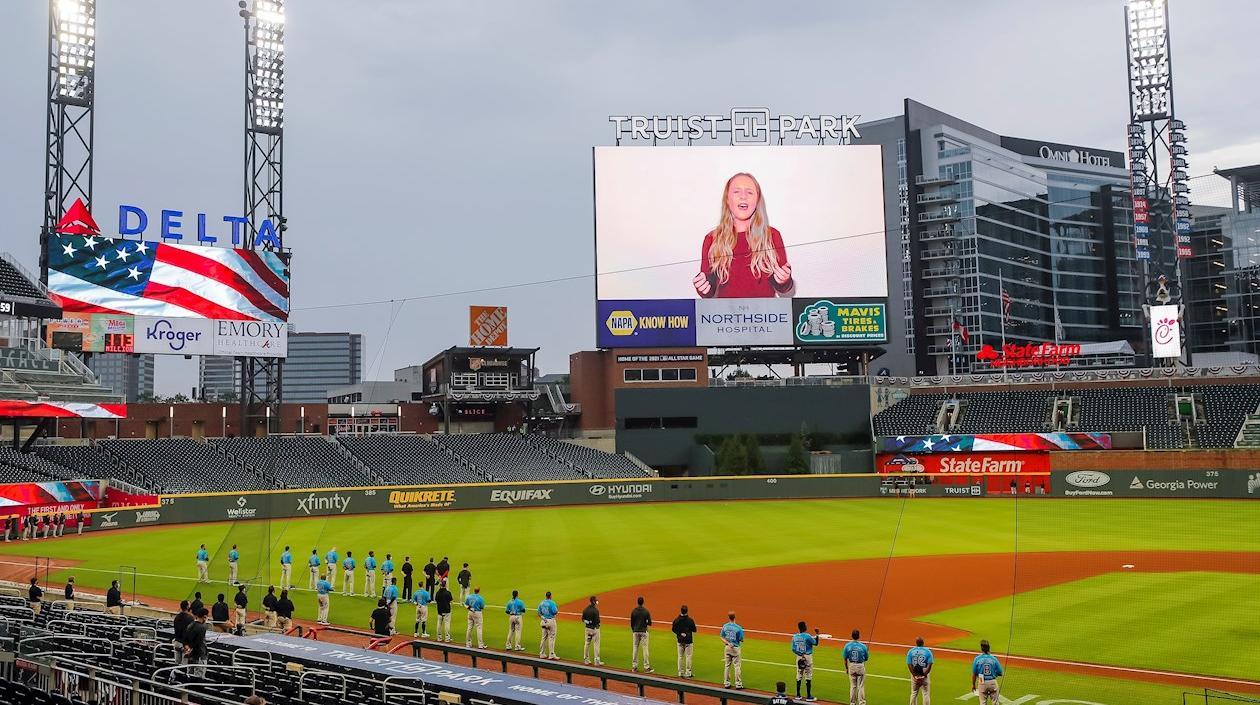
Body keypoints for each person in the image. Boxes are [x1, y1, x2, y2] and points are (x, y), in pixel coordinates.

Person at [693, 172, 794, 299]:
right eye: (736, 192)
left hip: (764, 315)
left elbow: (784, 287)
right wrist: (703, 286)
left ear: (757, 201)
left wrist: (784, 280)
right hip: (726, 316)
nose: (743, 196)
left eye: (750, 192)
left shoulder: (772, 235)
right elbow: (708, 291)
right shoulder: (712, 239)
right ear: (727, 200)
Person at [791, 621, 820, 701]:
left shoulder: (795, 636)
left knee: (799, 674)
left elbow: (793, 649)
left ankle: (798, 695)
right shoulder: (807, 636)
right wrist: (817, 634)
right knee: (808, 675)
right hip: (807, 657)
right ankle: (808, 696)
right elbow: (816, 643)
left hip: (799, 656)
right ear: (804, 627)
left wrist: (800, 654)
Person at [971, 639, 1003, 705]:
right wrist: (994, 674)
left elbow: (974, 674)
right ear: (989, 648)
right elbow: (1000, 672)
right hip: (992, 682)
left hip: (982, 681)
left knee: (982, 703)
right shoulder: (994, 658)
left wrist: (973, 685)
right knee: (995, 703)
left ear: (981, 648)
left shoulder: (977, 659)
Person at [842, 629, 870, 705]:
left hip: (851, 666)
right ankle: (862, 703)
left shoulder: (847, 645)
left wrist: (847, 668)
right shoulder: (863, 646)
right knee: (860, 686)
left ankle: (852, 703)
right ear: (859, 636)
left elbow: (845, 659)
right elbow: (866, 658)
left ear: (852, 636)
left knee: (853, 686)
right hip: (860, 666)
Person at [720, 611, 744, 689]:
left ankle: (726, 683)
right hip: (735, 648)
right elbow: (741, 639)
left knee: (727, 666)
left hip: (727, 648)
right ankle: (738, 684)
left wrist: (728, 642)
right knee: (737, 666)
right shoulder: (738, 628)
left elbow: (721, 637)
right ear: (734, 617)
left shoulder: (725, 626)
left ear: (729, 617)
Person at [671, 605, 696, 678]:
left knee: (680, 656)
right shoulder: (690, 620)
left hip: (680, 640)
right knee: (688, 657)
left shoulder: (677, 620)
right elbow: (694, 630)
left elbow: (673, 629)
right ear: (687, 611)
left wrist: (680, 633)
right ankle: (688, 673)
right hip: (688, 641)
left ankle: (680, 673)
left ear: (681, 611)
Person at [184, 608, 210, 678]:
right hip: (199, 657)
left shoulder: (190, 625)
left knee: (189, 676)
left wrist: (188, 650)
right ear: (204, 616)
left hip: (191, 656)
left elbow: (185, 640)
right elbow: (198, 642)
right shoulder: (202, 627)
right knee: (199, 678)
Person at [907, 637, 933, 705]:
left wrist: (914, 675)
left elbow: (909, 664)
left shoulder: (911, 651)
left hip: (914, 671)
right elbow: (930, 665)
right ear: (923, 643)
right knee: (926, 693)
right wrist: (924, 674)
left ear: (916, 643)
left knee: (914, 692)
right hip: (925, 670)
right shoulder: (928, 651)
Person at [629, 596, 653, 673]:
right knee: (645, 648)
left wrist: (634, 629)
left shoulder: (634, 611)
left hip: (635, 631)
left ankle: (634, 667)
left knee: (635, 648)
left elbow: (631, 622)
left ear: (637, 602)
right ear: (643, 602)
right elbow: (650, 623)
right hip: (643, 632)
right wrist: (645, 623)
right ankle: (646, 667)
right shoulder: (646, 611)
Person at [537, 590, 559, 660]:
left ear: (546, 596)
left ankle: (542, 654)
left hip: (543, 621)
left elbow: (538, 613)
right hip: (550, 621)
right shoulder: (552, 603)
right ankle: (551, 654)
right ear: (550, 596)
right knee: (551, 638)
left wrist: (543, 617)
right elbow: (555, 611)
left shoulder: (542, 603)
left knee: (543, 638)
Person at [581, 595, 602, 665]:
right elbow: (598, 621)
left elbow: (583, 619)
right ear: (593, 601)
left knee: (587, 643)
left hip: (587, 629)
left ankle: (586, 659)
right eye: (596, 600)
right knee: (596, 644)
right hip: (595, 629)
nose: (597, 601)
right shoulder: (595, 611)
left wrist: (588, 622)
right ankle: (597, 661)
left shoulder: (585, 609)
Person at [172, 600, 194, 667]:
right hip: (184, 644)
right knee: (184, 666)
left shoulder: (177, 617)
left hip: (177, 642)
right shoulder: (190, 618)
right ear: (187, 607)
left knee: (177, 664)